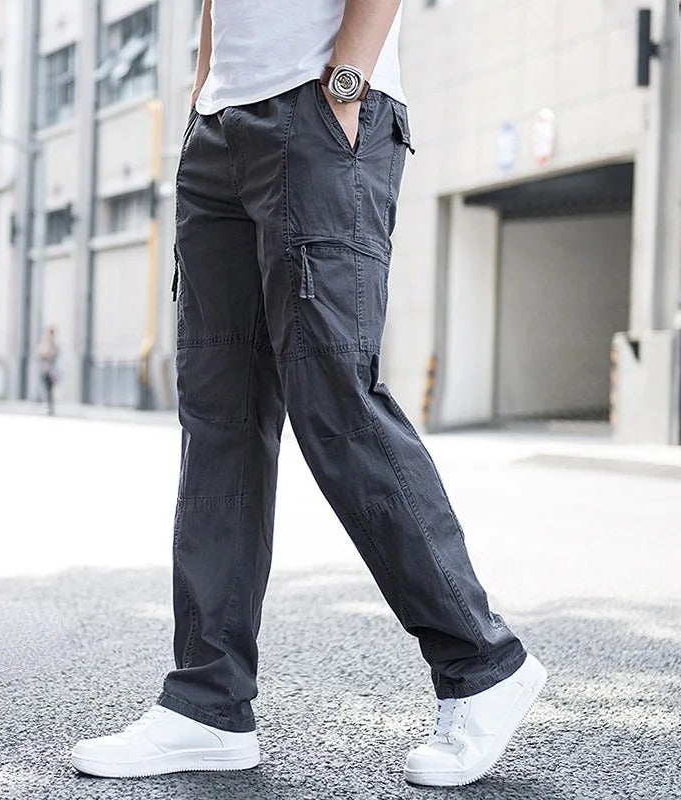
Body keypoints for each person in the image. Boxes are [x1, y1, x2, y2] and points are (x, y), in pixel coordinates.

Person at [71, 0, 546, 787]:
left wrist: (344, 85)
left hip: (320, 109)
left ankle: (483, 665)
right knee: (218, 420)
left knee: (336, 403)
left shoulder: (337, 97)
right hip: (222, 128)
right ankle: (207, 704)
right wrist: (202, 97)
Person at [37, 326, 59, 416]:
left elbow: (54, 355)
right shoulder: (44, 344)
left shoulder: (54, 345)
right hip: (45, 369)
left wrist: (48, 354)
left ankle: (50, 407)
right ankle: (47, 406)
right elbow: (40, 354)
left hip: (52, 371)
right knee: (45, 388)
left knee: (50, 389)